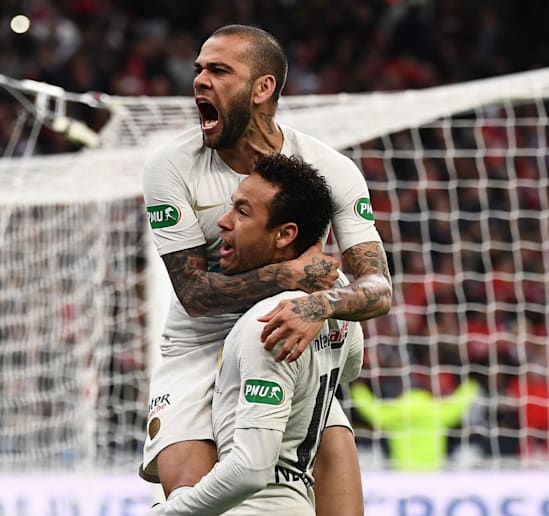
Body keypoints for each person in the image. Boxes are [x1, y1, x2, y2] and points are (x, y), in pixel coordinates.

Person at [141, 24, 392, 515]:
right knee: (206, 506)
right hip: (199, 349)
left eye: (218, 70)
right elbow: (195, 294)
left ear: (263, 88)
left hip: (288, 343)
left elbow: (378, 288)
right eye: (198, 70)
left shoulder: (328, 168)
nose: (199, 81)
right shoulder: (170, 166)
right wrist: (295, 277)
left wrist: (318, 303)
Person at [149, 153, 366, 514]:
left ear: (285, 234)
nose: (222, 222)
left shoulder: (271, 325)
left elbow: (249, 470)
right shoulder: (337, 301)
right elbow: (352, 363)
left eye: (242, 212)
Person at [350, 376, 480, 471]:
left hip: (403, 471)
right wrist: (472, 383)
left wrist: (357, 388)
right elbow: (458, 405)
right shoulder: (436, 411)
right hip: (434, 472)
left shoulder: (396, 412)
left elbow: (371, 410)